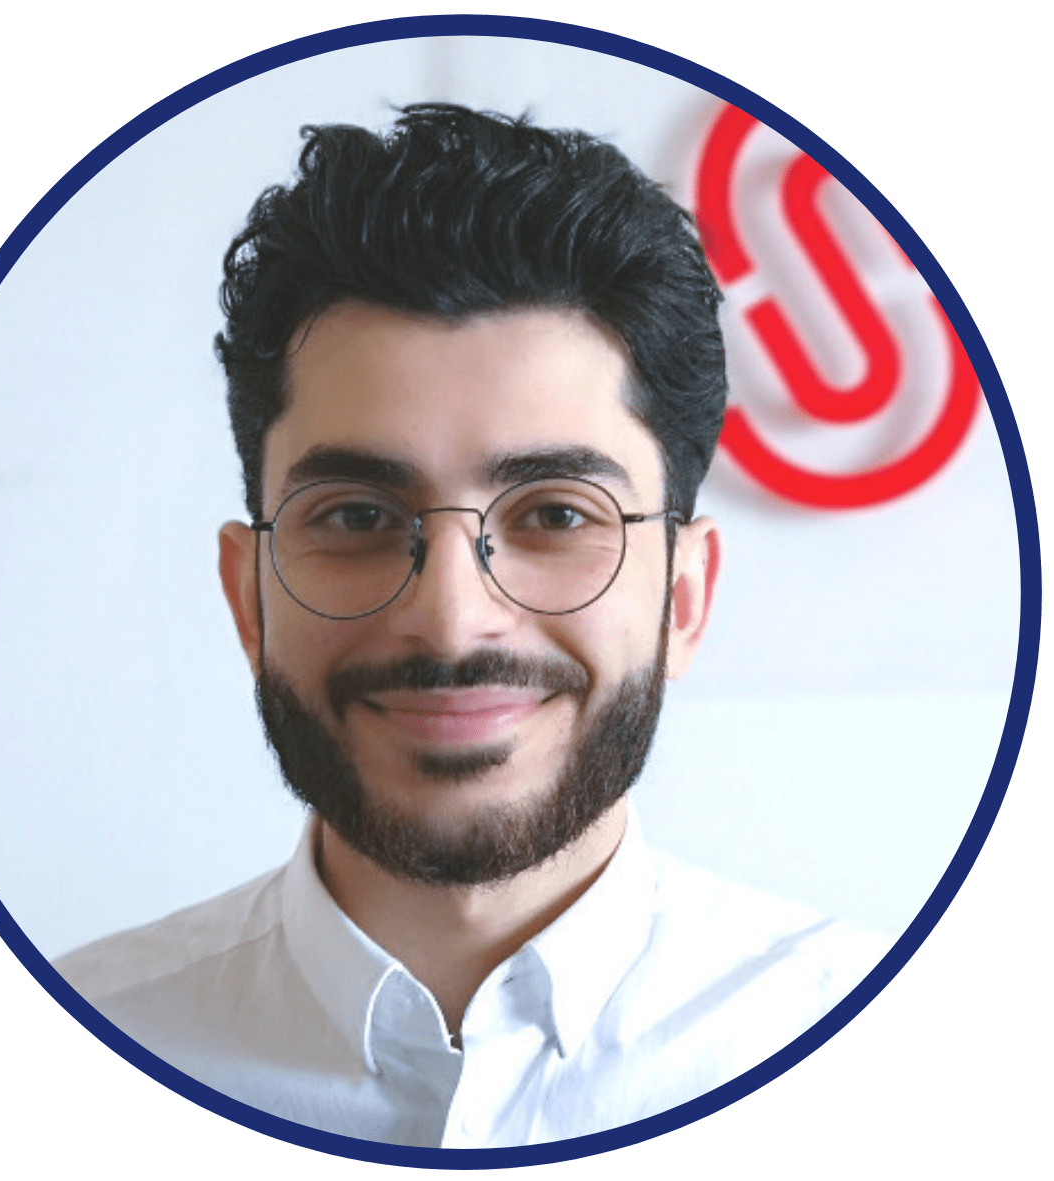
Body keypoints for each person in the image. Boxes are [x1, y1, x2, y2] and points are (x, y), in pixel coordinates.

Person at [54, 103, 888, 1147]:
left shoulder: (892, 1072)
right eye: (356, 517)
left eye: (555, 516)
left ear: (683, 597)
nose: (450, 619)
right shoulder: (47, 1066)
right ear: (247, 593)